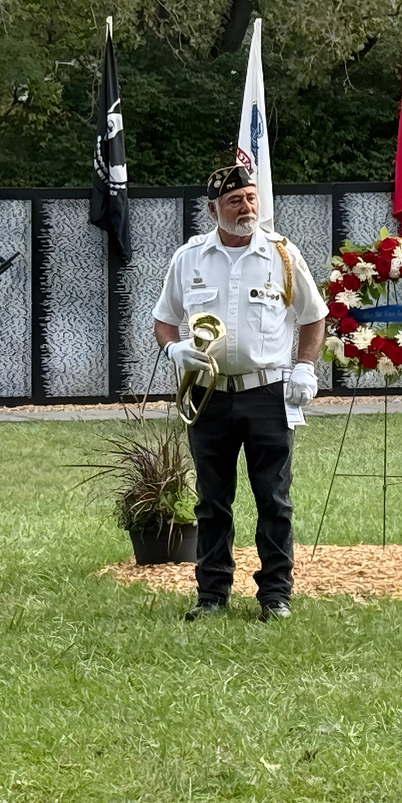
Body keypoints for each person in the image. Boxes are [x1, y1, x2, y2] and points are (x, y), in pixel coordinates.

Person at [154, 155, 326, 620]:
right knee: (212, 502)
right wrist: (174, 351)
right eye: (234, 201)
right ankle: (211, 595)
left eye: (251, 197)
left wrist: (305, 368)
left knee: (273, 498)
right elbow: (164, 320)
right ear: (214, 209)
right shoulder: (189, 258)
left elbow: (314, 315)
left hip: (268, 393)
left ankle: (275, 595)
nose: (246, 207)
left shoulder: (283, 255)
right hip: (208, 394)